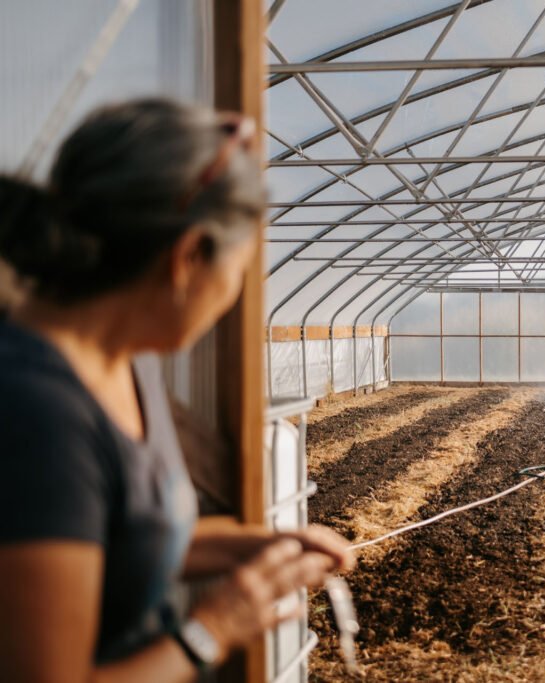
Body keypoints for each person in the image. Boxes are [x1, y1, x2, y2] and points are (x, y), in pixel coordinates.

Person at [0, 99, 355, 682]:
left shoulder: (127, 363)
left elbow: (117, 544)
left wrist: (255, 547)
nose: (233, 294)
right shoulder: (35, 414)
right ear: (189, 257)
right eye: (238, 269)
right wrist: (210, 630)